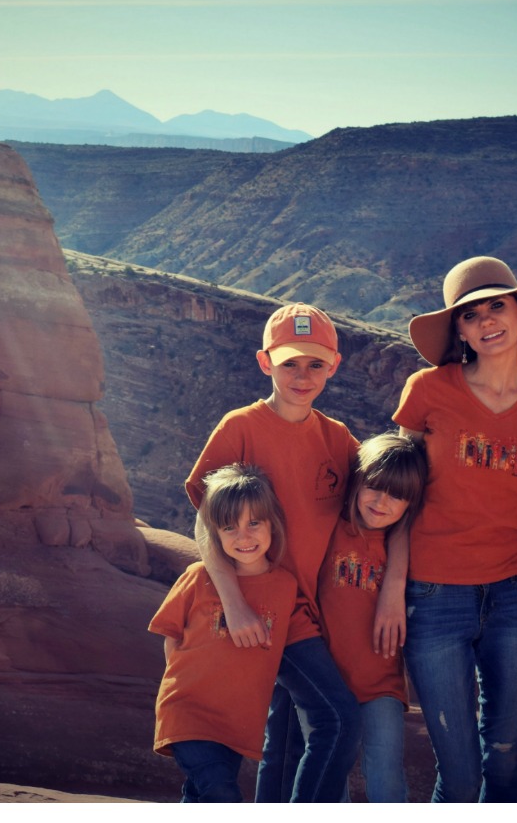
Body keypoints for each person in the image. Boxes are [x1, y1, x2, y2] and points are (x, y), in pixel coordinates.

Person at [377, 255, 517, 801]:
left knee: (507, 758)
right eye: (469, 315)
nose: (486, 321)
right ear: (457, 329)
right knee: (460, 772)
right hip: (434, 595)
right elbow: (396, 495)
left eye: (496, 306)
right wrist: (394, 588)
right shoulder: (428, 390)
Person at [180, 303, 361, 801]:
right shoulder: (241, 427)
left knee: (286, 740)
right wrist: (235, 604)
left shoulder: (338, 439)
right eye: (290, 363)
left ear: (335, 365)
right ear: (265, 362)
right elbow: (204, 521)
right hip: (253, 608)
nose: (303, 376)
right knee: (336, 719)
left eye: (315, 364)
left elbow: (373, 510)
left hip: (304, 608)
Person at [151, 465, 310, 802]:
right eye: (229, 527)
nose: (244, 537)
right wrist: (185, 688)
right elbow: (171, 636)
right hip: (188, 712)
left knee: (199, 797)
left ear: (273, 523)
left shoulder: (285, 586)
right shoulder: (198, 577)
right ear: (215, 535)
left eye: (254, 522)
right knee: (223, 796)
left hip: (238, 724)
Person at [320, 429, 427, 802]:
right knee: (330, 776)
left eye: (397, 495)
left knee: (386, 773)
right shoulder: (330, 530)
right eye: (375, 488)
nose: (382, 501)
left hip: (382, 683)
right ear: (357, 482)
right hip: (327, 682)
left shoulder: (407, 545)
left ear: (410, 505)